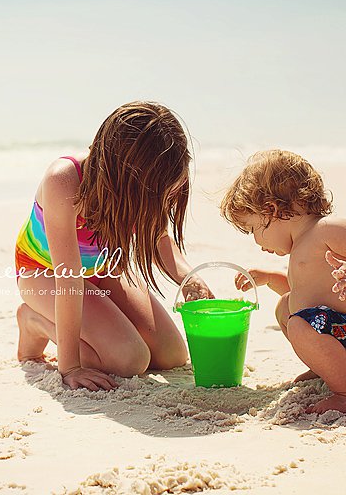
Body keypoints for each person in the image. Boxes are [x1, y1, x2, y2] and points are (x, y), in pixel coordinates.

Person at [14, 101, 212, 392]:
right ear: (128, 176)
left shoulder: (140, 190)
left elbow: (160, 238)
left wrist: (189, 278)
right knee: (129, 360)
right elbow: (68, 281)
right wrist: (70, 367)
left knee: (171, 355)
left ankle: (87, 323)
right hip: (45, 274)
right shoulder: (65, 181)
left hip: (102, 268)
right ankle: (33, 321)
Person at [221, 149, 346, 413]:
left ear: (270, 211)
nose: (256, 242)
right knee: (287, 307)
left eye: (253, 229)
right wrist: (267, 278)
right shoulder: (299, 250)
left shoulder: (327, 229)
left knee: (299, 323)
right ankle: (329, 368)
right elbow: (302, 297)